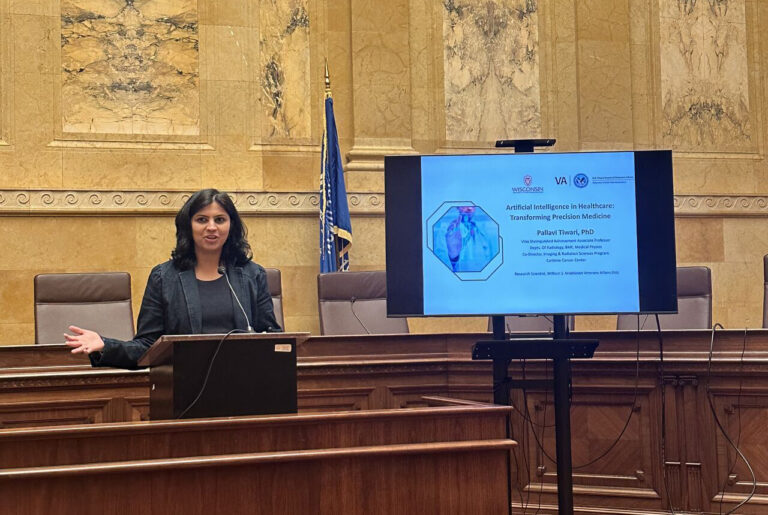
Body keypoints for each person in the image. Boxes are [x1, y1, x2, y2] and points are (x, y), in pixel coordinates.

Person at [65, 188, 282, 369]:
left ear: (231, 225)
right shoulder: (164, 278)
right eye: (201, 219)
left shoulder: (252, 275)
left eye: (220, 219)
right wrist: (106, 345)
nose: (212, 227)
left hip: (245, 385)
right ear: (189, 225)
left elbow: (273, 338)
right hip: (185, 387)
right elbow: (149, 346)